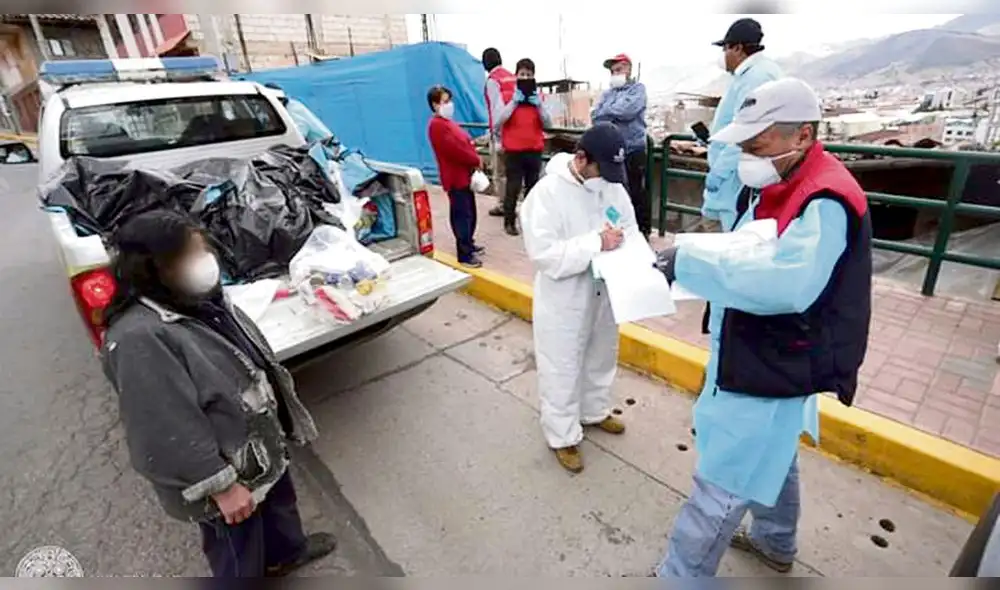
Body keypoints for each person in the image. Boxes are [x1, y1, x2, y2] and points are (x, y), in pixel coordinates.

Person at [652, 78, 872, 577]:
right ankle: (776, 541)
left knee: (723, 484)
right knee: (775, 454)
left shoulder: (824, 198)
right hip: (769, 348)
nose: (748, 154)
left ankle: (680, 578)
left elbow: (787, 283)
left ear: (803, 135)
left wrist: (687, 265)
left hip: (777, 358)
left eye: (757, 143)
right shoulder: (784, 178)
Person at [100, 211, 336, 578]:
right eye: (190, 254)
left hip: (254, 450)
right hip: (224, 471)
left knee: (276, 504)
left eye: (202, 249)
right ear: (155, 266)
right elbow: (165, 429)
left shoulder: (197, 301)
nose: (205, 261)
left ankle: (286, 554)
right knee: (239, 548)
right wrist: (221, 486)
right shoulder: (139, 338)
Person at [520, 122, 637, 473]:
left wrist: (632, 253)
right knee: (562, 362)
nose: (609, 181)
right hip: (565, 295)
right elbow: (544, 254)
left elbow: (628, 227)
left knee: (602, 352)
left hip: (604, 288)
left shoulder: (612, 186)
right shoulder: (548, 193)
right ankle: (562, 435)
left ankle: (594, 410)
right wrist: (595, 244)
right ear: (581, 159)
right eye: (604, 171)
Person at [704, 17, 783, 231]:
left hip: (736, 176)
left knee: (728, 237)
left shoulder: (757, 77)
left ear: (738, 48)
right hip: (733, 174)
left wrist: (720, 171)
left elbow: (747, 131)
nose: (723, 56)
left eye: (725, 49)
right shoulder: (749, 75)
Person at [591, 53, 650, 237]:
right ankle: (618, 228)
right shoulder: (608, 93)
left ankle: (642, 232)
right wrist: (610, 113)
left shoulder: (638, 90)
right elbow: (595, 116)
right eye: (613, 71)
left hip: (633, 149)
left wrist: (607, 113)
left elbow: (627, 111)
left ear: (628, 69)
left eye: (619, 69)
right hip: (612, 150)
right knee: (613, 192)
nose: (615, 73)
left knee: (635, 192)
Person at [427, 85, 485, 268]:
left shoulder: (448, 123)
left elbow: (462, 142)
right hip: (455, 176)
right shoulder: (437, 126)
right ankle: (464, 254)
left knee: (470, 212)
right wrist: (475, 158)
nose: (449, 105)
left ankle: (469, 243)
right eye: (444, 101)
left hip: (464, 175)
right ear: (435, 105)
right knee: (462, 215)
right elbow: (455, 150)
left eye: (449, 100)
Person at [496, 57, 552, 237]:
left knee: (533, 188)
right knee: (513, 187)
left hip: (534, 149)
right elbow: (499, 120)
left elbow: (548, 123)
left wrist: (539, 105)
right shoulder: (507, 96)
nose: (526, 77)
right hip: (513, 150)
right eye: (522, 74)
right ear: (516, 75)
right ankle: (509, 221)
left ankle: (530, 221)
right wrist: (514, 102)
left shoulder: (539, 97)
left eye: (529, 74)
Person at [483, 47, 515, 218]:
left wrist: (495, 137)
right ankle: (515, 203)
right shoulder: (512, 76)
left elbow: (496, 110)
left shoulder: (492, 81)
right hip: (517, 133)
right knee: (514, 173)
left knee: (500, 173)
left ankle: (504, 205)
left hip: (503, 134)